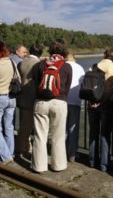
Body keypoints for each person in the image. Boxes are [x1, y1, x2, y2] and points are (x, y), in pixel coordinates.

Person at [31, 39, 72, 173]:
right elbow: (67, 87)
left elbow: (35, 83)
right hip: (59, 102)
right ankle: (58, 165)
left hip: (41, 102)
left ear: (50, 50)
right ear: (64, 51)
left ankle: (39, 166)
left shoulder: (40, 65)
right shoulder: (67, 66)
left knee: (40, 136)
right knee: (58, 136)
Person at [88, 48, 113, 171]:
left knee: (93, 132)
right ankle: (104, 164)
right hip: (106, 105)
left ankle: (92, 161)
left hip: (92, 104)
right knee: (105, 134)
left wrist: (92, 102)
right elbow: (112, 90)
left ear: (104, 55)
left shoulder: (94, 66)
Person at [15, 44, 43, 160]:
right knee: (33, 127)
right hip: (34, 98)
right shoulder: (39, 64)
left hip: (22, 96)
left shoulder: (22, 62)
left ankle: (23, 147)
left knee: (23, 125)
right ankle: (24, 150)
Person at [65, 53, 85, 162]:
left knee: (62, 129)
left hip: (62, 101)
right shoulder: (80, 68)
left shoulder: (62, 66)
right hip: (76, 101)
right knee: (73, 129)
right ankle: (72, 154)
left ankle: (61, 152)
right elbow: (83, 84)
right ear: (75, 59)